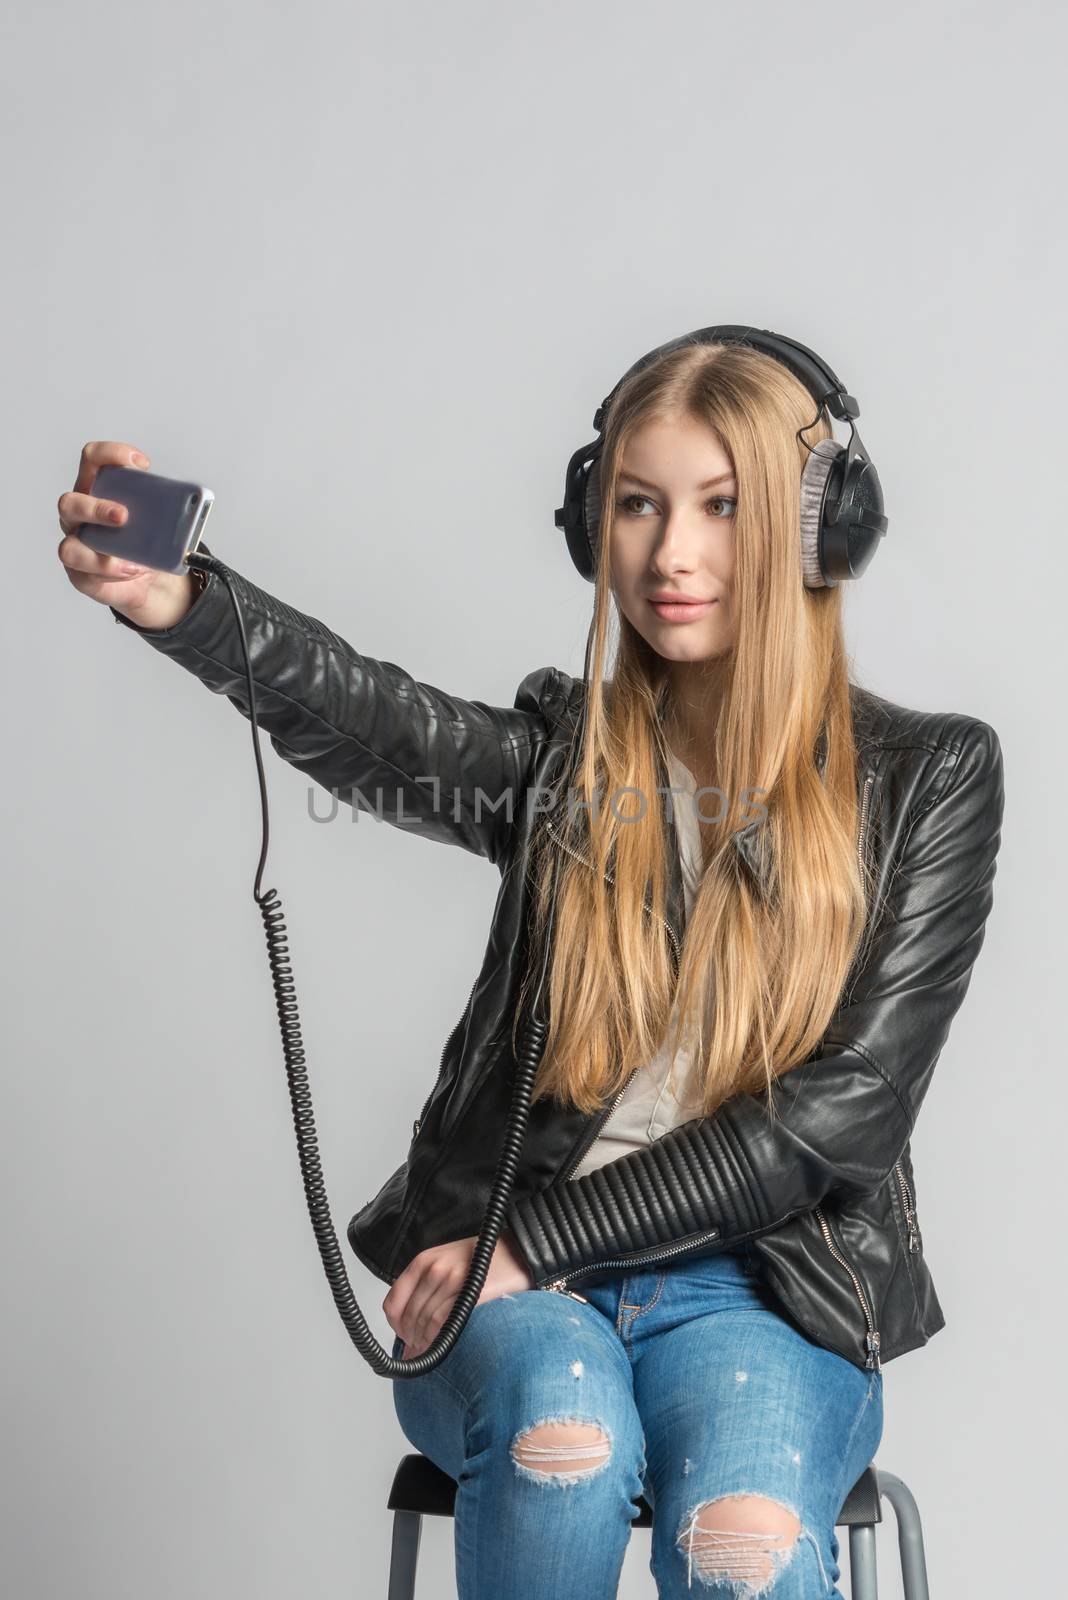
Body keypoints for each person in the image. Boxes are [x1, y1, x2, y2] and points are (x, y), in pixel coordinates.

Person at [57, 335, 1005, 1598]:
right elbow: (375, 719)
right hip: (516, 1291)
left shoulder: (927, 777)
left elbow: (843, 1117)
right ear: (588, 519)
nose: (673, 554)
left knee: (746, 1544)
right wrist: (188, 601)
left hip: (762, 1291)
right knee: (565, 1443)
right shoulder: (567, 758)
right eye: (637, 503)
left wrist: (536, 1241)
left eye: (723, 507)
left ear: (820, 527)